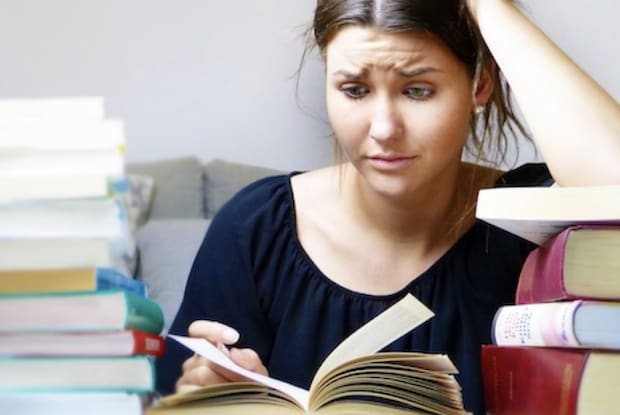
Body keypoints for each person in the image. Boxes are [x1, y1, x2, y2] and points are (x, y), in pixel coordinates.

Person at [155, 0, 620, 413]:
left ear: (479, 84)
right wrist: (211, 392)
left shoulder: (528, 222)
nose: (383, 128)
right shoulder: (256, 227)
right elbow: (180, 397)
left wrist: (487, 4)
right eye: (354, 90)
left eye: (417, 90)